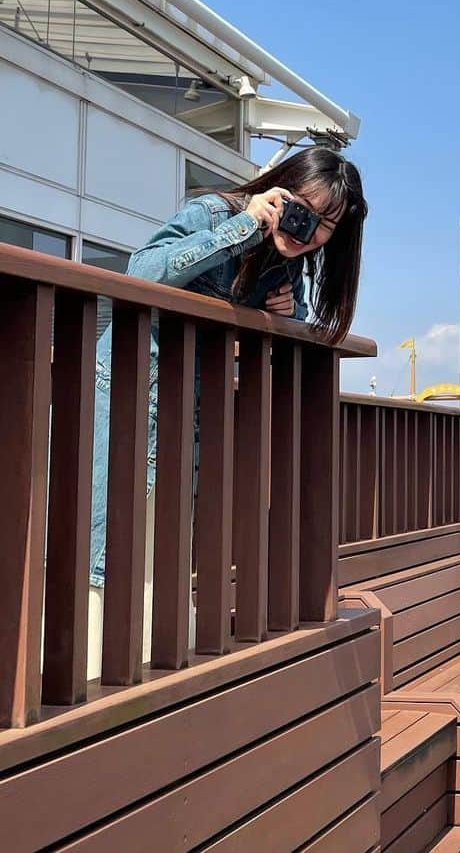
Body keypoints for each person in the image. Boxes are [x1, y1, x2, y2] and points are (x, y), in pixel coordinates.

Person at [88, 146, 368, 678]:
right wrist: (243, 226)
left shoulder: (293, 266)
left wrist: (285, 317)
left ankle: (144, 673)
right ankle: (86, 672)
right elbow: (141, 271)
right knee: (105, 550)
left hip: (192, 419)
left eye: (326, 226)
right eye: (303, 209)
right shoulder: (216, 213)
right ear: (281, 189)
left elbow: (280, 345)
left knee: (162, 553)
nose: (307, 230)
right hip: (126, 400)